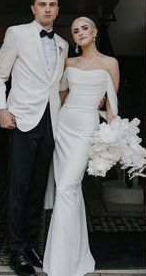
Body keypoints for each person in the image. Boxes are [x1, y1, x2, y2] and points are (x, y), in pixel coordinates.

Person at [0, 0, 68, 276]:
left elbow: (59, 87)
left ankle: (29, 244)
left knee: (38, 187)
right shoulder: (16, 33)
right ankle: (15, 249)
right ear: (33, 8)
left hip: (51, 123)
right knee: (19, 187)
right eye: (42, 4)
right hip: (22, 119)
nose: (47, 9)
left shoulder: (61, 42)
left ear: (58, 10)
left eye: (52, 5)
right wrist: (1, 109)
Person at [43, 17, 119, 276]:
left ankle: (61, 263)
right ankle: (75, 258)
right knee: (70, 191)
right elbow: (60, 96)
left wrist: (111, 138)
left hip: (87, 128)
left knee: (67, 187)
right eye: (75, 30)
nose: (80, 33)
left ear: (95, 32)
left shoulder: (110, 63)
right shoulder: (69, 62)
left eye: (84, 28)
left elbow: (110, 104)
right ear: (73, 38)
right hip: (64, 127)